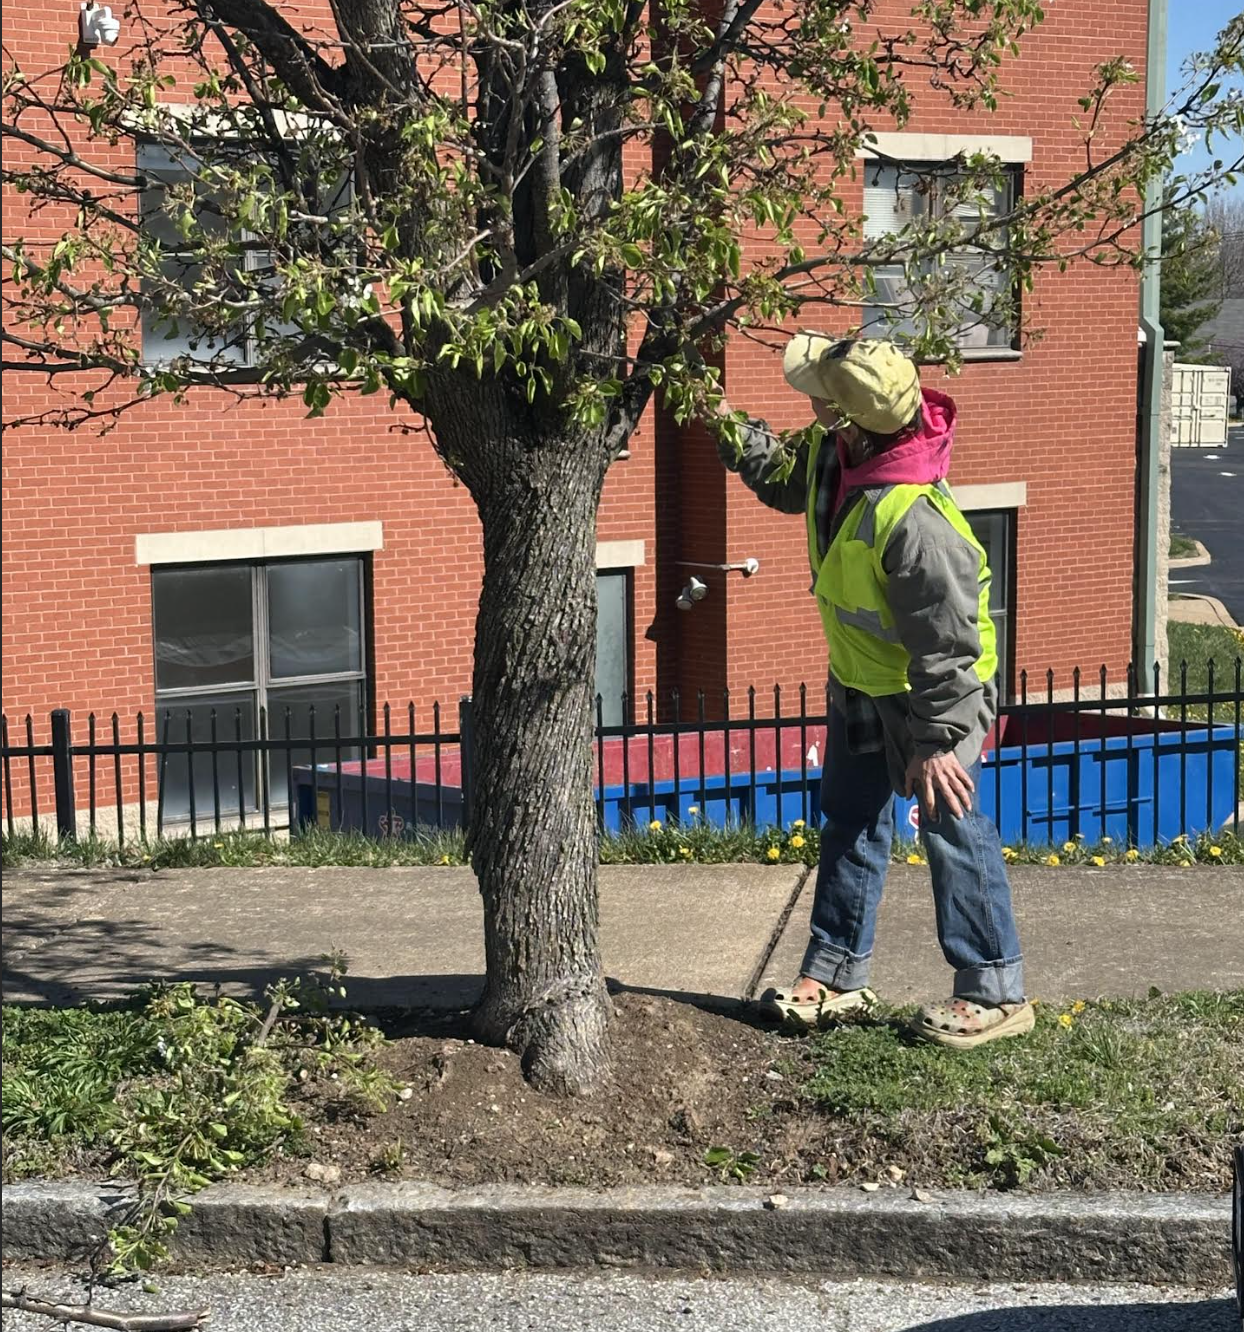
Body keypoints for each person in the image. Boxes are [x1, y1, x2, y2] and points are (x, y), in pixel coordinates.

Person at [717, 335, 1033, 1049]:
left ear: (845, 417)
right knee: (851, 819)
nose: (808, 401)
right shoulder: (840, 454)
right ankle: (836, 976)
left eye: (817, 395)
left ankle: (995, 990)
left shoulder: (917, 522)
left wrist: (936, 743)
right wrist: (720, 420)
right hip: (863, 680)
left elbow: (950, 646)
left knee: (952, 827)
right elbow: (779, 475)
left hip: (932, 696)